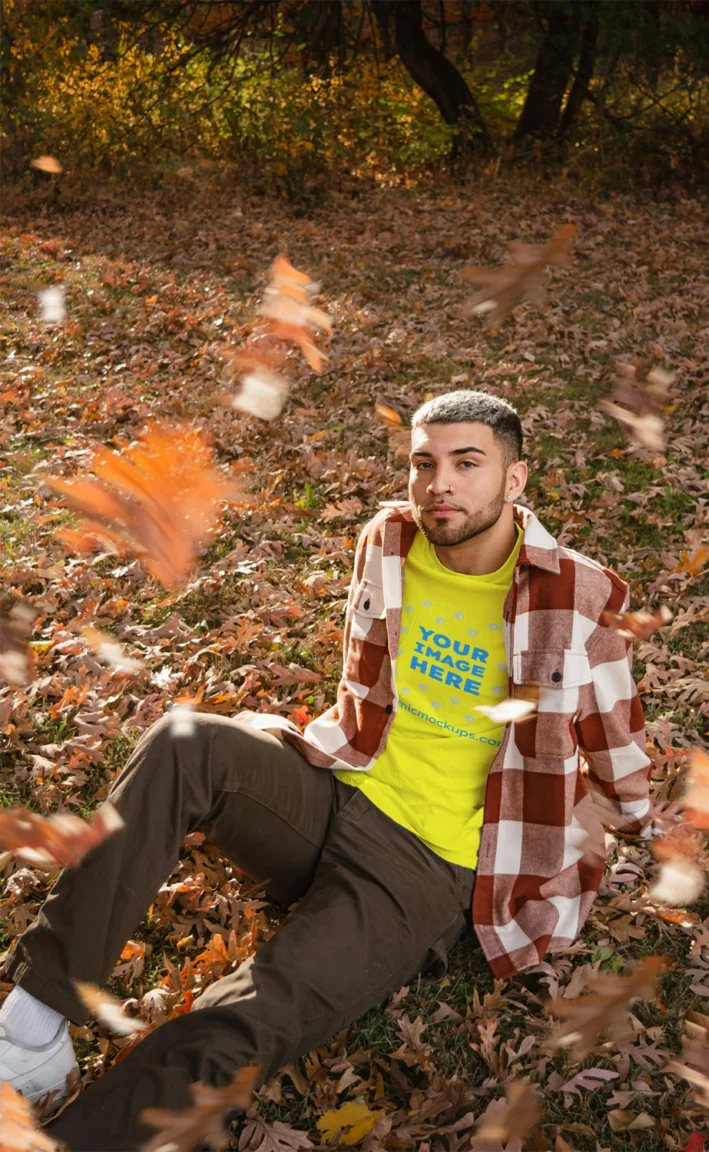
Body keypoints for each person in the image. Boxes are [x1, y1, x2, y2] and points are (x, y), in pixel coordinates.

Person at [0, 390, 651, 1150]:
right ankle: (32, 1028)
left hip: (425, 868)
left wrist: (548, 858)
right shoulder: (389, 540)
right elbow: (363, 691)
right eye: (424, 463)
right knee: (185, 740)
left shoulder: (577, 598)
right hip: (336, 788)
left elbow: (624, 778)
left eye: (466, 464)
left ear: (514, 481)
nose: (439, 482)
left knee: (246, 1013)